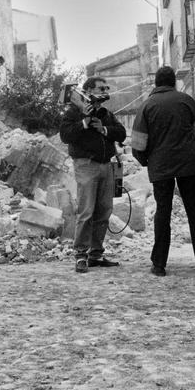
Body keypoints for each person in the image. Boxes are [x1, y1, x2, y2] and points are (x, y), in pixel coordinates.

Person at [130, 67, 195, 276]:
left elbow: (138, 144)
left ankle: (159, 264)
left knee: (163, 212)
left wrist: (147, 161)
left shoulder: (146, 106)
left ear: (156, 83)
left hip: (161, 166)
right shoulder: (186, 100)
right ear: (173, 82)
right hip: (188, 164)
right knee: (194, 212)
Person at [59, 76, 127, 273]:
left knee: (104, 211)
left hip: (107, 165)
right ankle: (81, 255)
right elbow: (65, 135)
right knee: (86, 211)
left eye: (106, 88)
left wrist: (103, 129)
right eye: (101, 88)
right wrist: (85, 121)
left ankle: (96, 254)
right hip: (86, 165)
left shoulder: (106, 113)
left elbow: (121, 133)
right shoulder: (73, 112)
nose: (105, 91)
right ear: (88, 91)